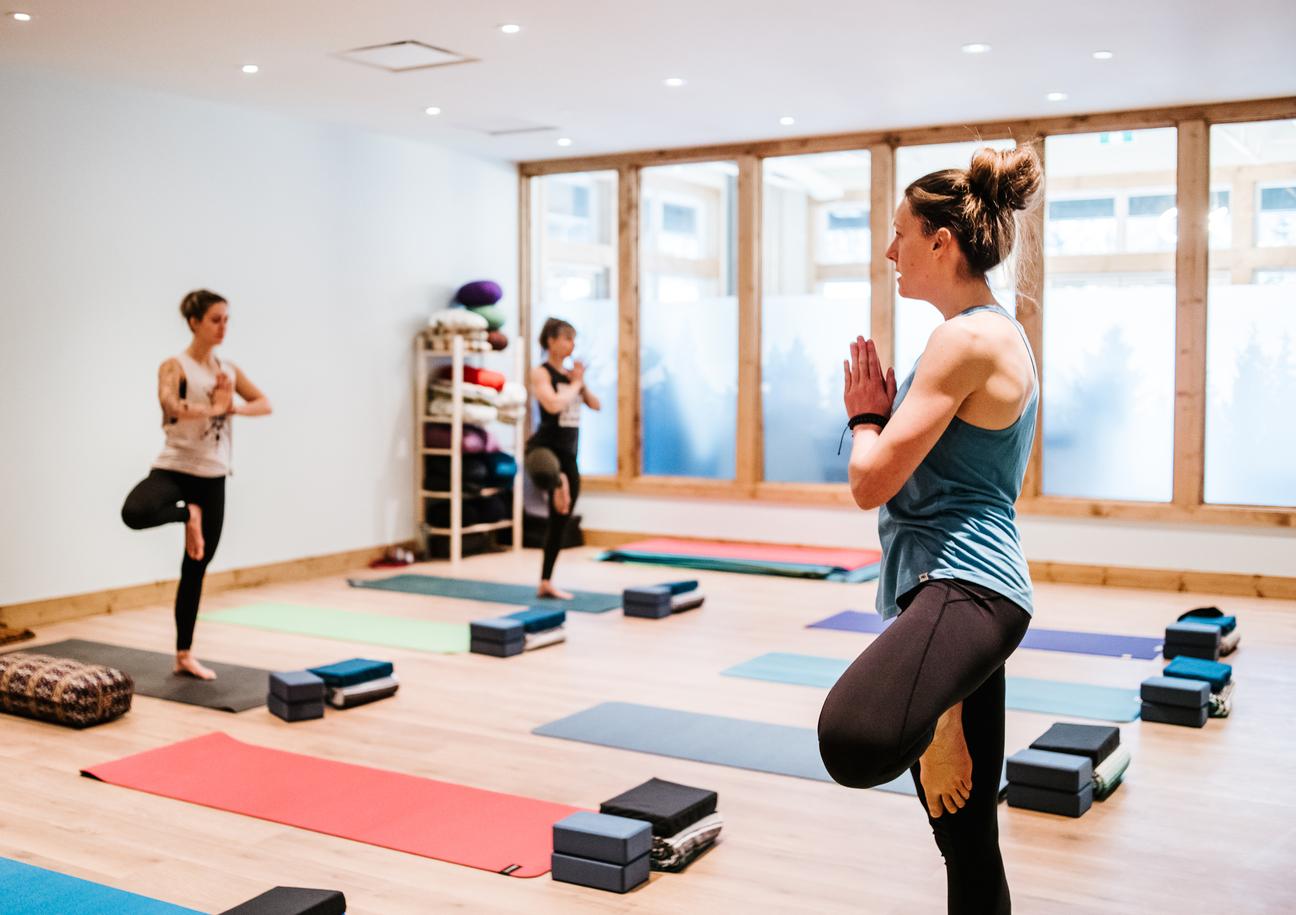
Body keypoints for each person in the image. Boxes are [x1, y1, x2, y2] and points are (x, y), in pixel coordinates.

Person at [817, 145, 1043, 915]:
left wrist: (863, 416)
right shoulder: (983, 334)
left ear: (941, 240)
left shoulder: (966, 340)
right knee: (966, 835)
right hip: (959, 592)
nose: (890, 251)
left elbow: (871, 480)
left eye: (900, 233)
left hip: (966, 588)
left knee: (851, 737)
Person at [120, 290, 271, 679]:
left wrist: (232, 405)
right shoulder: (176, 366)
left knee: (196, 568)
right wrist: (214, 407)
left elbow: (264, 403)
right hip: (174, 468)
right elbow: (170, 405)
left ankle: (184, 655)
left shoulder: (229, 371)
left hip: (213, 476)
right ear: (194, 322)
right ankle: (188, 514)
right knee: (134, 512)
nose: (223, 327)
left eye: (226, 319)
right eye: (215, 319)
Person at [525, 318, 599, 599]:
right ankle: (558, 483)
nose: (571, 345)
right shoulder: (541, 373)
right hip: (543, 448)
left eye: (573, 339)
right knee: (546, 473)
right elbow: (552, 403)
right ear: (550, 342)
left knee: (560, 521)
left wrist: (581, 383)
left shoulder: (571, 378)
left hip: (569, 455)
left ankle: (546, 581)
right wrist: (573, 385)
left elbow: (596, 404)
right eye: (566, 338)